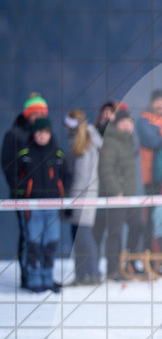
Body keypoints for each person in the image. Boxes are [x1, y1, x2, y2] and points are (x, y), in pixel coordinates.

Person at [14, 118, 68, 293]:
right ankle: (33, 279)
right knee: (33, 243)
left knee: (50, 244)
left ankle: (48, 278)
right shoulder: (25, 154)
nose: (42, 136)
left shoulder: (58, 153)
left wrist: (65, 199)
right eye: (39, 132)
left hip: (52, 207)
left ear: (50, 133)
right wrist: (23, 193)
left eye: (45, 132)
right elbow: (15, 178)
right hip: (32, 207)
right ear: (33, 133)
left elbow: (66, 177)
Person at [3, 93, 49, 289]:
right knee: (28, 237)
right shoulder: (15, 134)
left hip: (45, 198)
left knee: (46, 238)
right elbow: (8, 165)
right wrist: (21, 188)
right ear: (27, 114)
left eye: (42, 113)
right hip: (25, 198)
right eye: (35, 113)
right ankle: (27, 277)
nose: (38, 116)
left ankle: (41, 276)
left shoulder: (46, 134)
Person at [98, 109, 145, 281]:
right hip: (116, 196)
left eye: (130, 122)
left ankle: (130, 264)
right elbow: (105, 170)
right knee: (115, 233)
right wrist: (115, 190)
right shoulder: (110, 141)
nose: (128, 125)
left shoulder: (131, 141)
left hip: (132, 195)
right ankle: (112, 270)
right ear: (117, 124)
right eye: (124, 122)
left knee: (138, 226)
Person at [64, 110, 102, 286]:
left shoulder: (85, 145)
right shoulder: (83, 142)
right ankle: (82, 275)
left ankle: (92, 274)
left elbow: (82, 177)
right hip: (81, 197)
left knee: (84, 237)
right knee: (79, 237)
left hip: (83, 198)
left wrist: (72, 201)